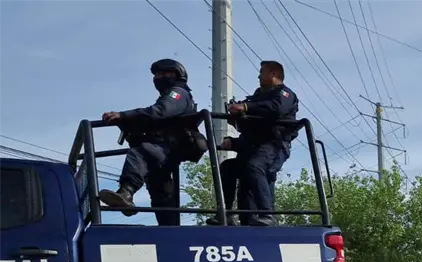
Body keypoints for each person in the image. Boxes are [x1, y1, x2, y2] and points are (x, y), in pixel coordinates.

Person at [98, 59, 198, 226]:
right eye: (156, 74)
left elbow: (161, 111)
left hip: (170, 147)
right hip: (162, 149)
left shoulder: (178, 93)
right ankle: (170, 231)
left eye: (163, 73)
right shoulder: (168, 95)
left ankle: (126, 192)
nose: (158, 77)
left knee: (140, 152)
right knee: (160, 190)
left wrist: (124, 115)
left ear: (176, 74)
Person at [206, 60, 298, 226]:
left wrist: (246, 107)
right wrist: (232, 141)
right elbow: (251, 130)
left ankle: (267, 215)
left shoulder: (284, 94)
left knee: (255, 167)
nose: (258, 75)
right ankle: (225, 214)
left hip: (274, 146)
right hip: (253, 148)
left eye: (262, 71)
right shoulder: (257, 98)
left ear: (274, 74)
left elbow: (276, 109)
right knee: (228, 167)